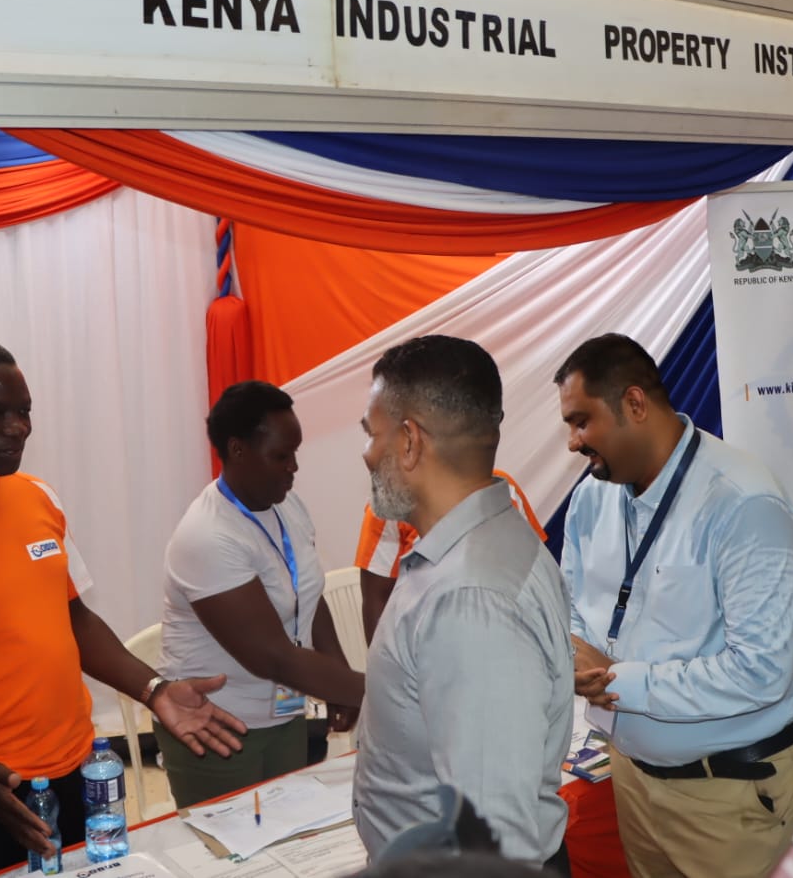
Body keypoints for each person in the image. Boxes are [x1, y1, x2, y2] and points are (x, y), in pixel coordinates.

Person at [0, 338, 246, 878]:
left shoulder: (39, 498)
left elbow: (74, 617)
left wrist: (154, 690)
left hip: (77, 773)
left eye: (24, 411)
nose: (17, 427)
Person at [556, 333, 793, 878]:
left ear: (634, 403)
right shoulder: (591, 497)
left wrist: (618, 681)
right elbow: (571, 607)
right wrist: (579, 660)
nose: (574, 442)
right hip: (632, 777)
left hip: (730, 792)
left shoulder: (743, 503)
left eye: (582, 422)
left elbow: (762, 671)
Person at [354, 336, 574, 871]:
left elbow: (491, 843)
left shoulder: (470, 600)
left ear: (409, 441)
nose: (367, 454)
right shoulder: (477, 549)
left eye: (372, 433)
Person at [157, 380, 364, 807]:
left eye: (295, 453)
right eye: (281, 456)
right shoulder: (208, 535)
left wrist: (336, 673)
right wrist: (378, 691)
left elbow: (308, 595)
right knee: (228, 846)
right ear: (237, 450)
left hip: (284, 712)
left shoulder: (287, 505)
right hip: (215, 725)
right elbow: (272, 657)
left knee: (288, 834)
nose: (293, 467)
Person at [355, 470, 544, 643]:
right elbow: (377, 600)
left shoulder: (503, 488)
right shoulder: (390, 505)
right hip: (428, 649)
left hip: (510, 638)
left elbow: (539, 578)